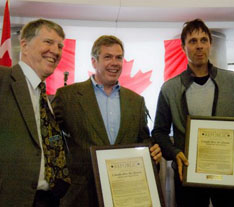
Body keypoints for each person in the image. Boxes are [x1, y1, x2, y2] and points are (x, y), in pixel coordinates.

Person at [53, 35, 162, 207]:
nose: (115, 62)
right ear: (94, 62)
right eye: (107, 57)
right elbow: (50, 140)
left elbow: (144, 140)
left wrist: (152, 151)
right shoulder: (67, 97)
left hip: (124, 194)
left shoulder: (136, 101)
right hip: (80, 196)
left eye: (119, 57)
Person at [152, 19, 234, 207]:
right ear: (183, 47)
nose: (199, 46)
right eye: (193, 41)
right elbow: (159, 132)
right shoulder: (169, 88)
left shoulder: (231, 82)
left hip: (227, 174)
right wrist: (174, 152)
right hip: (187, 174)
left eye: (204, 40)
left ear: (210, 44)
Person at [0, 19, 71, 206]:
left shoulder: (45, 97)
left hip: (48, 199)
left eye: (60, 46)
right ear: (24, 45)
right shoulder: (3, 79)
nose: (56, 51)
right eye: (48, 42)